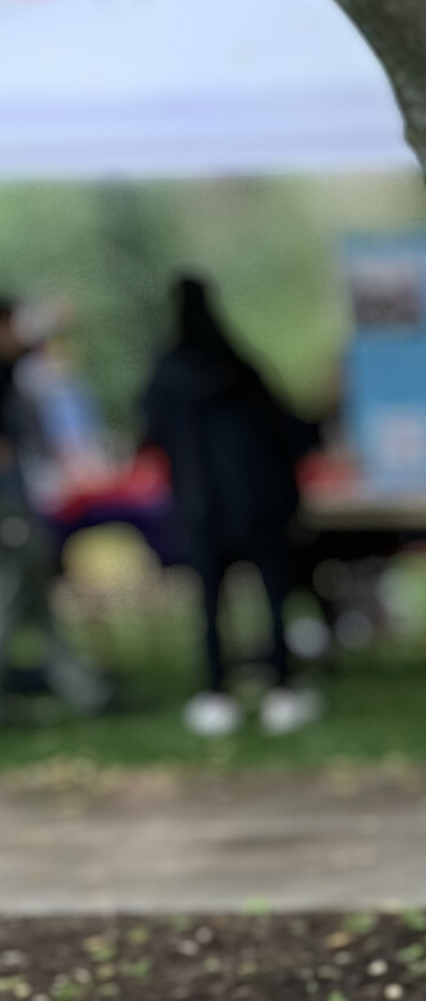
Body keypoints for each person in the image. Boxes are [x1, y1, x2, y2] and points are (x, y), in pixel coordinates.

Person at [138, 274, 321, 739]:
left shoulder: (166, 375)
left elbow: (151, 435)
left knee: (209, 604)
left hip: (200, 508)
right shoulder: (241, 368)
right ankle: (281, 687)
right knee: (273, 599)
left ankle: (216, 692)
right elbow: (288, 431)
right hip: (257, 504)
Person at [0, 298, 101, 721]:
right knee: (11, 597)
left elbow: (29, 341)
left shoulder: (11, 369)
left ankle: (84, 690)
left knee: (36, 595)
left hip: (17, 498)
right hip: (7, 505)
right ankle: (82, 688)